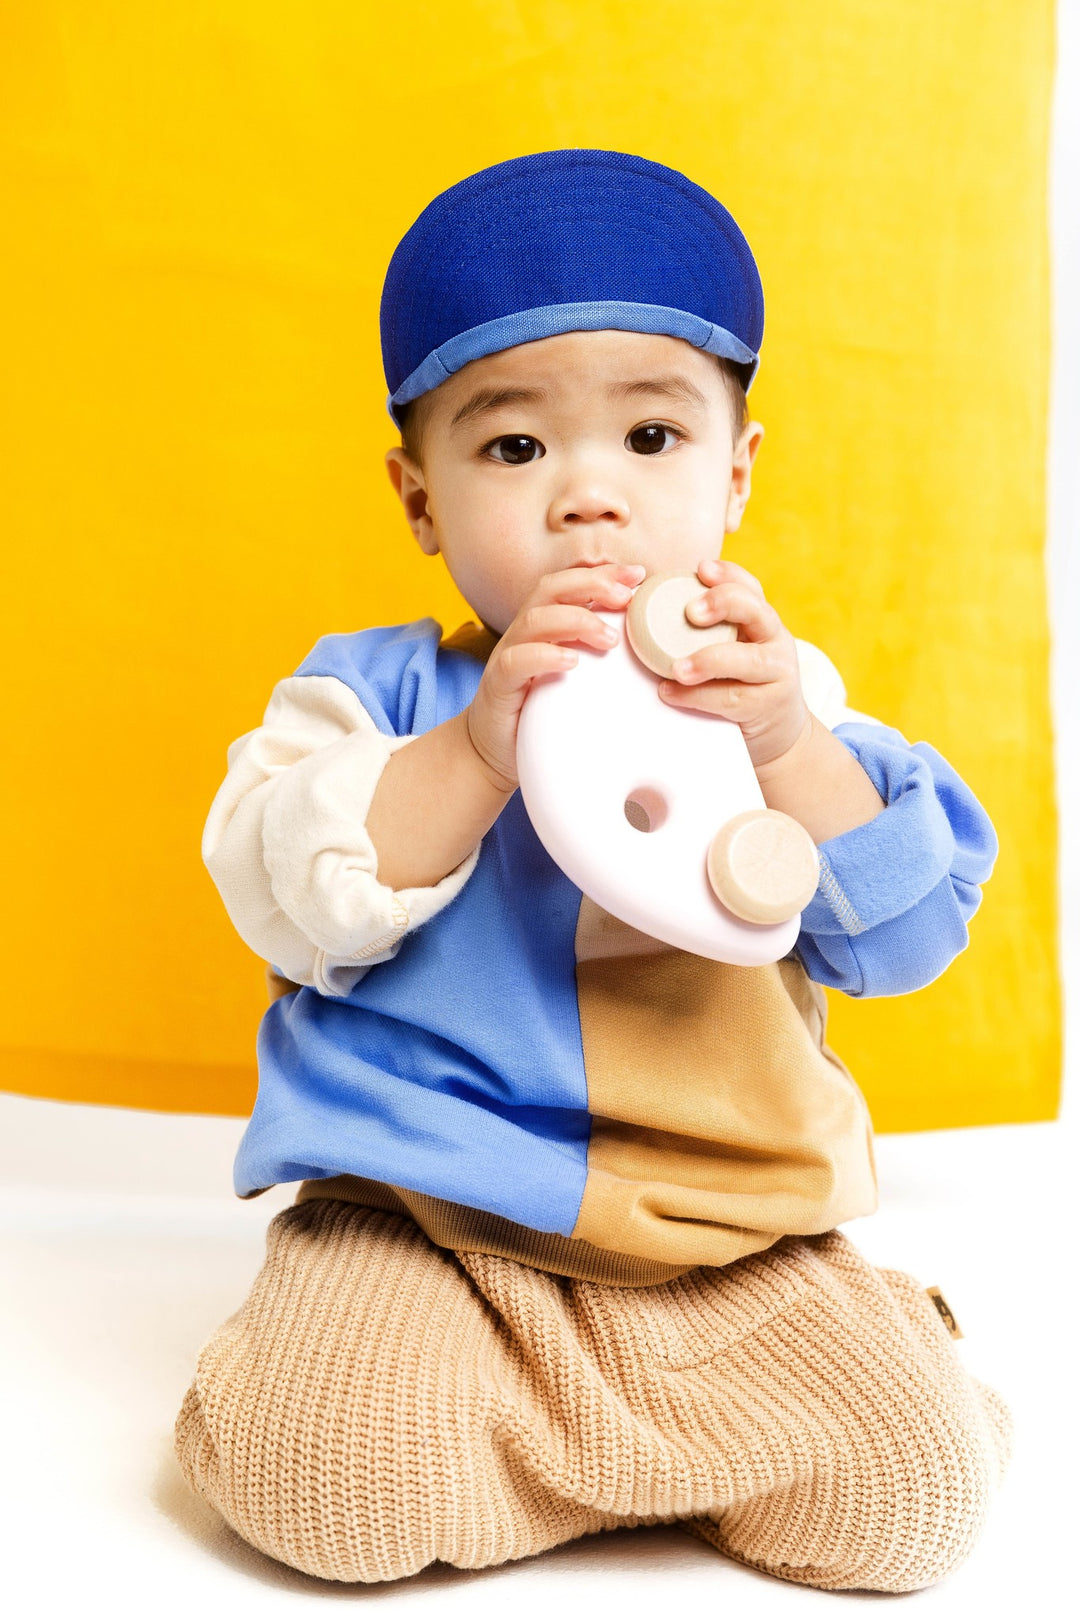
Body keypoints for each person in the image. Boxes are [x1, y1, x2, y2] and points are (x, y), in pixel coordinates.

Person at [175, 149, 1011, 1592]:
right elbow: (283, 885)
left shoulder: (778, 697)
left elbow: (907, 934)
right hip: (429, 1224)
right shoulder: (369, 697)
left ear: (736, 474)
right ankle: (565, 1433)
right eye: (513, 450)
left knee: (907, 1508)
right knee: (329, 1489)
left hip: (726, 1244)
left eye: (651, 440)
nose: (588, 501)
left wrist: (786, 744)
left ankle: (676, 1411)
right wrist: (475, 754)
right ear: (420, 499)